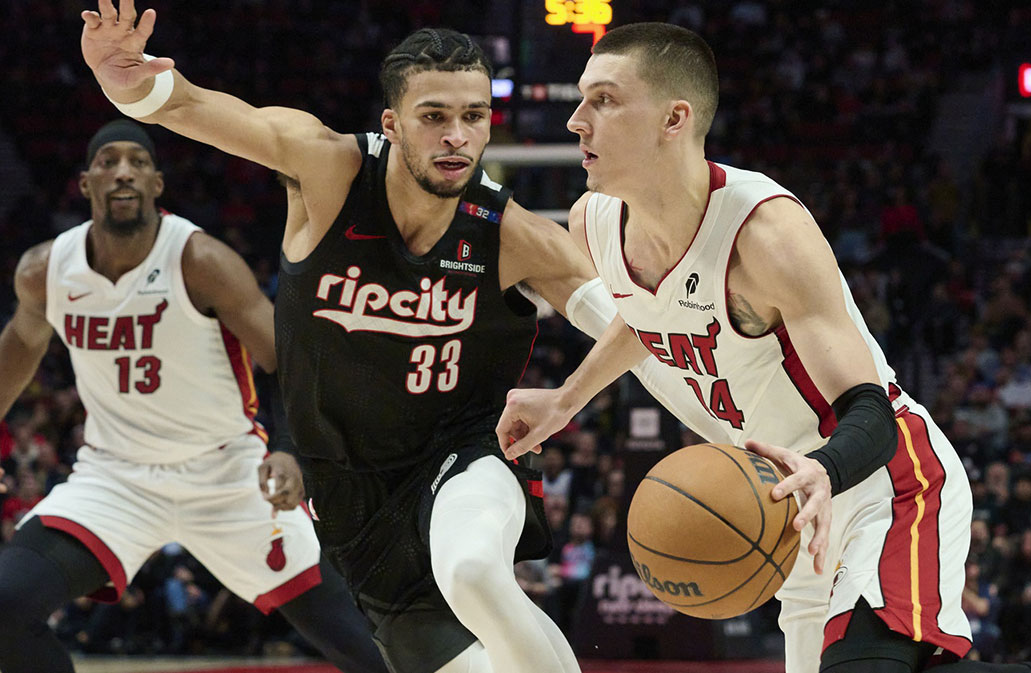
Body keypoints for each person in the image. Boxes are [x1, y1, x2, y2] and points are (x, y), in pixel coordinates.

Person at [497, 22, 1031, 673]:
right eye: (582, 99)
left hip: (881, 482)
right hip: (788, 505)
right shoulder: (596, 220)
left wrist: (825, 471)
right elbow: (646, 315)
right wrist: (567, 398)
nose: (578, 120)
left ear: (674, 118)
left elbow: (870, 413)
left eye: (604, 100)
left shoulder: (766, 234)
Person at [78, 3, 713, 671]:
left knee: (473, 570)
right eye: (434, 116)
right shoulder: (327, 171)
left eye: (473, 116)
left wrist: (711, 427)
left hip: (465, 455)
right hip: (357, 506)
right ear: (392, 124)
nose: (457, 137)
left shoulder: (514, 235)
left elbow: (647, 324)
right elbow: (198, 108)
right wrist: (128, 80)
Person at [0, 120, 388, 673]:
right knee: (7, 605)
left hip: (229, 477)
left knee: (362, 645)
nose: (124, 171)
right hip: (115, 480)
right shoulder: (46, 271)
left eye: (137, 161)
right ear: (86, 184)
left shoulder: (200, 261)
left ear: (157, 183)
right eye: (109, 162)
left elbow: (290, 359)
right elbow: (15, 353)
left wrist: (288, 448)